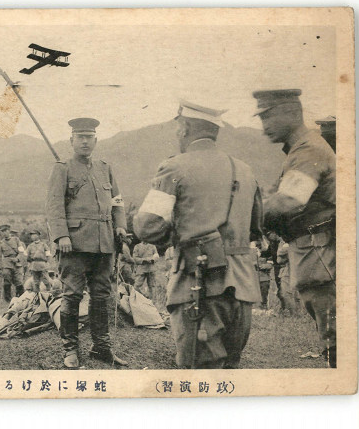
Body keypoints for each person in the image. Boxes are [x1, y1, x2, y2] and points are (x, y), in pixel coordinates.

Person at [134, 100, 263, 369]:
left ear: (184, 128)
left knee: (200, 372)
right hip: (243, 286)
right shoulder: (245, 170)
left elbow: (147, 226)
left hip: (199, 284)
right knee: (229, 372)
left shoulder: (175, 167)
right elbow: (255, 227)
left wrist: (178, 236)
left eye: (178, 128)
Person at [254, 89, 336, 367]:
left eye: (268, 117)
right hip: (313, 250)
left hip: (320, 252)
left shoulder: (308, 149)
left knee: (336, 339)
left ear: (291, 113)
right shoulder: (300, 149)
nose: (264, 126)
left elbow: (288, 201)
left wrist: (246, 218)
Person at [46, 117, 128, 369]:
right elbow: (54, 205)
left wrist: (121, 226)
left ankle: (101, 347)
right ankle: (70, 349)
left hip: (105, 243)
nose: (85, 142)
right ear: (71, 140)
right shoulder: (62, 168)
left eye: (89, 137)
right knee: (71, 296)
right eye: (80, 137)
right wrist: (61, 235)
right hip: (74, 244)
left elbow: (117, 201)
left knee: (102, 296)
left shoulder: (105, 168)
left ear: (96, 140)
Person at [0, 224, 25, 301]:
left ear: (9, 231)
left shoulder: (16, 240)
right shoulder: (0, 243)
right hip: (6, 264)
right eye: (2, 231)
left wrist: (17, 259)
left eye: (5, 231)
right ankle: (8, 299)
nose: (4, 233)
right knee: (7, 280)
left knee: (19, 280)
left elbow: (21, 251)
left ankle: (21, 298)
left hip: (17, 263)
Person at [255, 245, 273, 309]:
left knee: (264, 295)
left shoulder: (266, 253)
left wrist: (262, 266)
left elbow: (270, 265)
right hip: (253, 279)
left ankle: (264, 307)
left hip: (264, 278)